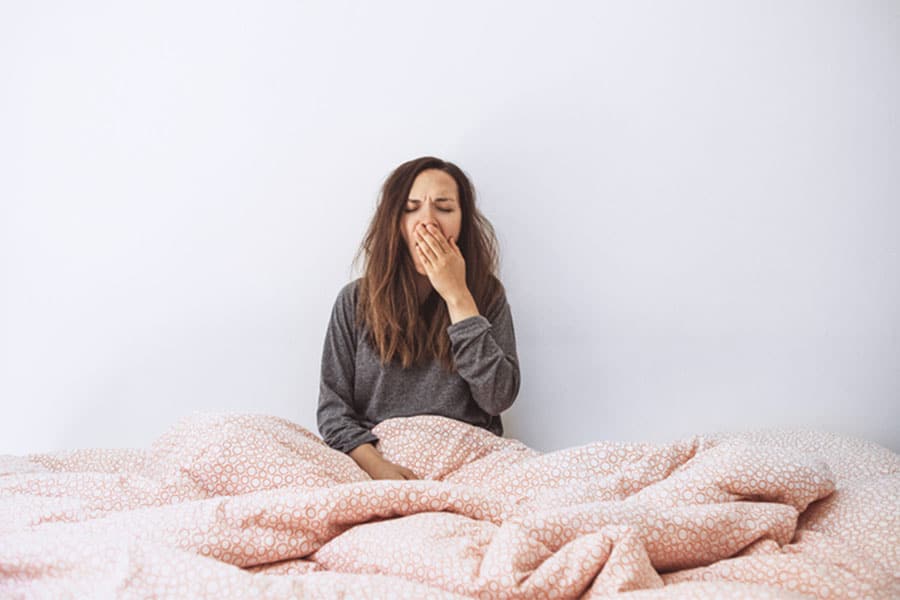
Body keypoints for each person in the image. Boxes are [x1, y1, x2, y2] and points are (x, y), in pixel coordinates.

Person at [316, 156, 521, 480]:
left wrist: (458, 297)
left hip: (470, 462)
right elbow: (333, 412)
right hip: (379, 461)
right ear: (394, 223)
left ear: (463, 221)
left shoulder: (486, 296)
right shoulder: (354, 301)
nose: (427, 222)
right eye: (411, 208)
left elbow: (497, 398)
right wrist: (380, 468)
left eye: (444, 207)